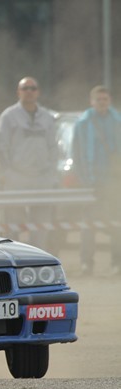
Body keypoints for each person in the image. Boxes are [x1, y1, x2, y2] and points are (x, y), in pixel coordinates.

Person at [0, 77, 58, 251]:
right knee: (13, 225)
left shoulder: (46, 117)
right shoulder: (8, 116)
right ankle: (14, 258)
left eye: (32, 88)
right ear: (18, 92)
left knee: (41, 225)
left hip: (42, 178)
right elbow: (1, 147)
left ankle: (38, 260)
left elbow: (54, 147)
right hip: (17, 178)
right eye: (25, 88)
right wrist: (8, 173)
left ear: (38, 92)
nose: (29, 91)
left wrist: (51, 173)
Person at [71, 85, 121, 276]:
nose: (102, 103)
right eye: (98, 99)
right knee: (88, 225)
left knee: (117, 224)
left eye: (105, 99)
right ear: (92, 101)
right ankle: (86, 263)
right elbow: (76, 153)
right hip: (91, 181)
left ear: (109, 101)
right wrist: (82, 178)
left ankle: (117, 262)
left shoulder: (117, 121)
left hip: (114, 181)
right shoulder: (83, 123)